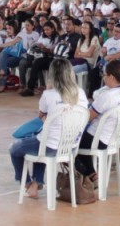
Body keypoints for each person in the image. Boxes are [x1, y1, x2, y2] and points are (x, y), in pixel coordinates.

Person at [9, 59, 88, 200]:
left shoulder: (48, 95)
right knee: (42, 141)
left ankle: (27, 183)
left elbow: (42, 115)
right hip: (70, 145)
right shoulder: (81, 93)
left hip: (51, 145)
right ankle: (36, 182)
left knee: (15, 149)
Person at [74, 60, 120, 191]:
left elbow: (87, 117)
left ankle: (87, 176)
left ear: (112, 77)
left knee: (67, 145)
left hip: (98, 138)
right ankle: (92, 175)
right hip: (112, 138)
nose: (103, 77)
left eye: (104, 74)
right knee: (80, 142)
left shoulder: (108, 96)